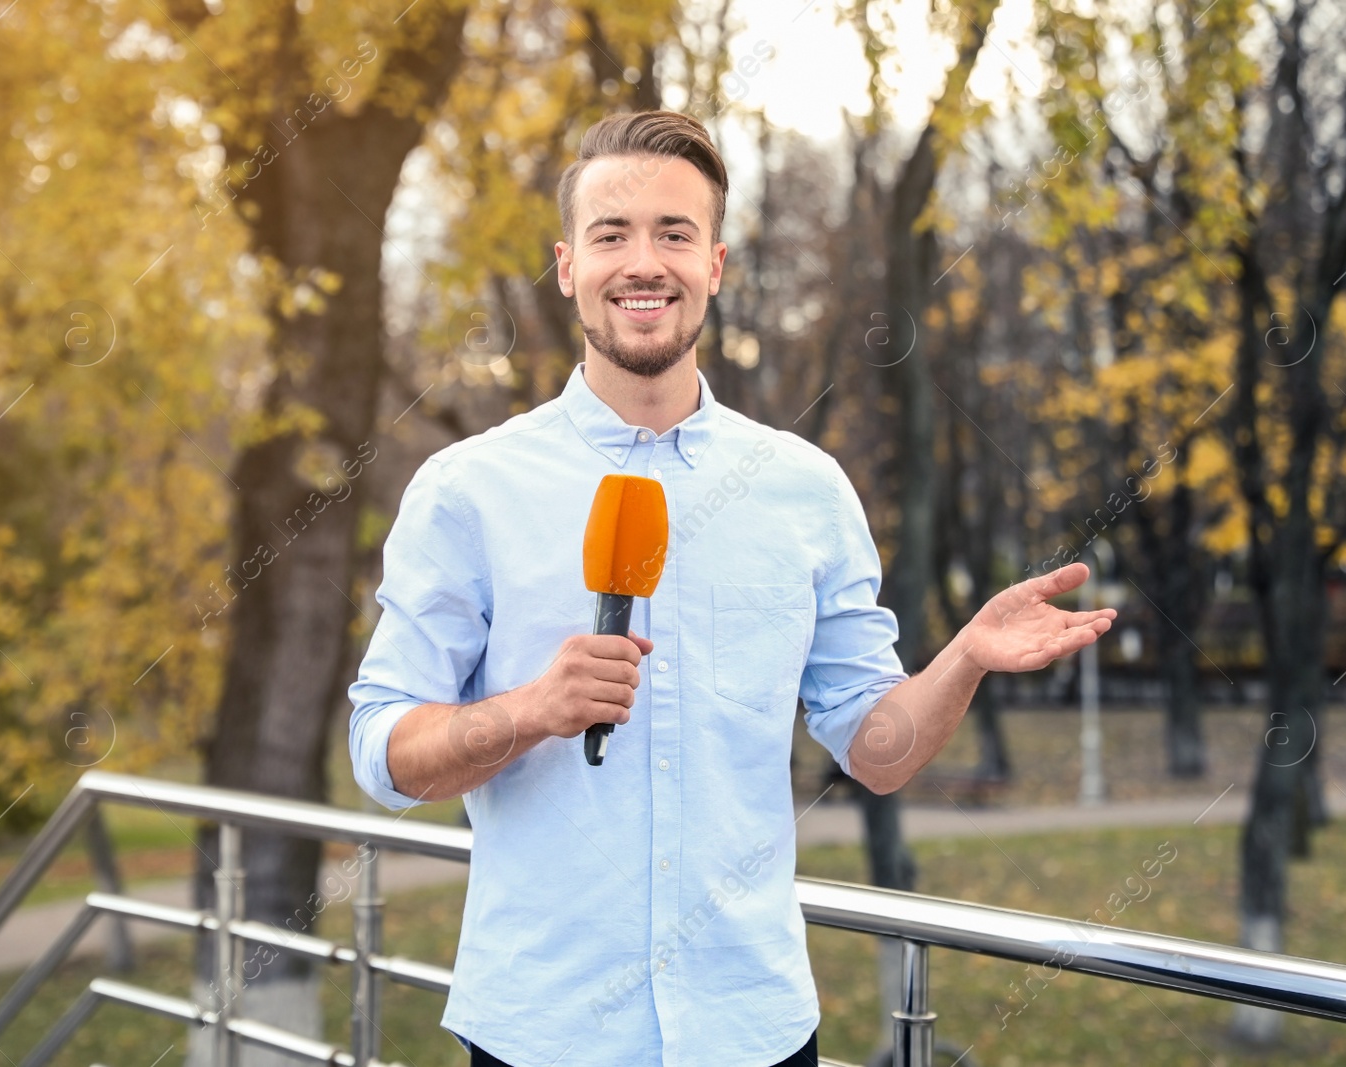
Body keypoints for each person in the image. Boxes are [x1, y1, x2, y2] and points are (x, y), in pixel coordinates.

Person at [347, 109, 1115, 1067]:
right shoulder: (468, 490)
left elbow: (875, 753)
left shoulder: (804, 488)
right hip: (542, 1033)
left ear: (714, 264)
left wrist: (962, 660)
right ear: (566, 265)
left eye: (675, 234)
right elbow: (381, 751)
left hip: (753, 1031)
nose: (644, 262)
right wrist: (531, 710)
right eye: (611, 235)